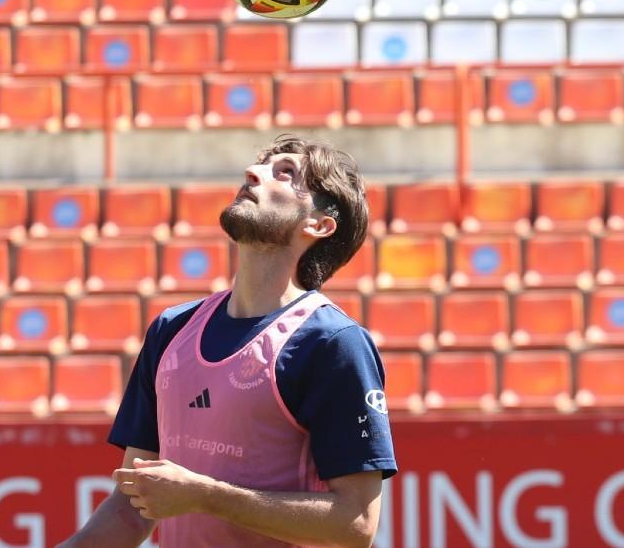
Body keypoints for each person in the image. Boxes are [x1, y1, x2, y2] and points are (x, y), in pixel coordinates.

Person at [60, 134, 397, 548]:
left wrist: (206, 496)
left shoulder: (333, 343)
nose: (252, 174)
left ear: (319, 224)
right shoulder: (171, 330)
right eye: (259, 166)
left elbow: (355, 524)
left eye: (285, 174)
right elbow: (131, 509)